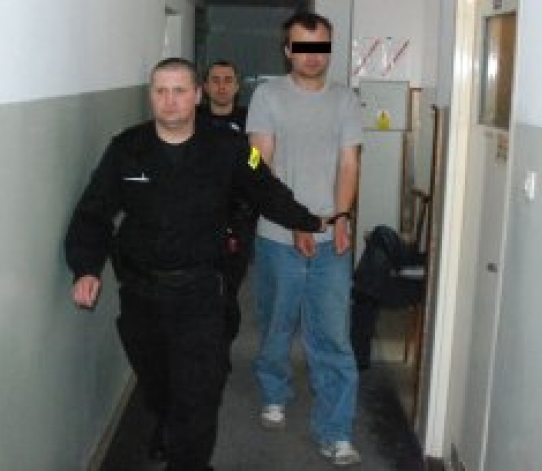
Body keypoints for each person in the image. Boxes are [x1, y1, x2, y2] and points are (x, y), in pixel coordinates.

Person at [64, 57, 329, 471]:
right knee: (158, 385)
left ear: (197, 96)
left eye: (179, 91)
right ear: (151, 96)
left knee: (199, 394)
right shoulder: (126, 149)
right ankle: (167, 422)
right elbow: (92, 213)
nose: (170, 101)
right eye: (161, 91)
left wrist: (307, 221)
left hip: (201, 292)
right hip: (142, 293)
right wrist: (85, 267)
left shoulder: (231, 147)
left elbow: (266, 189)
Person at [246, 12, 363, 466]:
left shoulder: (345, 100)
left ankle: (336, 431)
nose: (313, 57)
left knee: (332, 334)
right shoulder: (267, 96)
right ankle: (274, 390)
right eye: (303, 47)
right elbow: (259, 163)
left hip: (332, 237)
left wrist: (340, 217)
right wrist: (295, 220)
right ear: (287, 50)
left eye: (321, 47)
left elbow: (350, 163)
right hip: (278, 234)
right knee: (277, 322)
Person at [198, 60, 258, 350]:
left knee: (229, 286)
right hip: (199, 217)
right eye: (215, 80)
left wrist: (246, 171)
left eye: (227, 80)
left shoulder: (251, 121)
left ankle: (222, 345)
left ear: (237, 86)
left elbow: (258, 159)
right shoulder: (193, 121)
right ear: (205, 87)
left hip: (238, 216)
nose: (221, 86)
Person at [351, 225, 426, 371]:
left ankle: (359, 358)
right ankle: (362, 287)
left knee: (366, 289)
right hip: (417, 261)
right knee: (380, 235)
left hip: (418, 279)